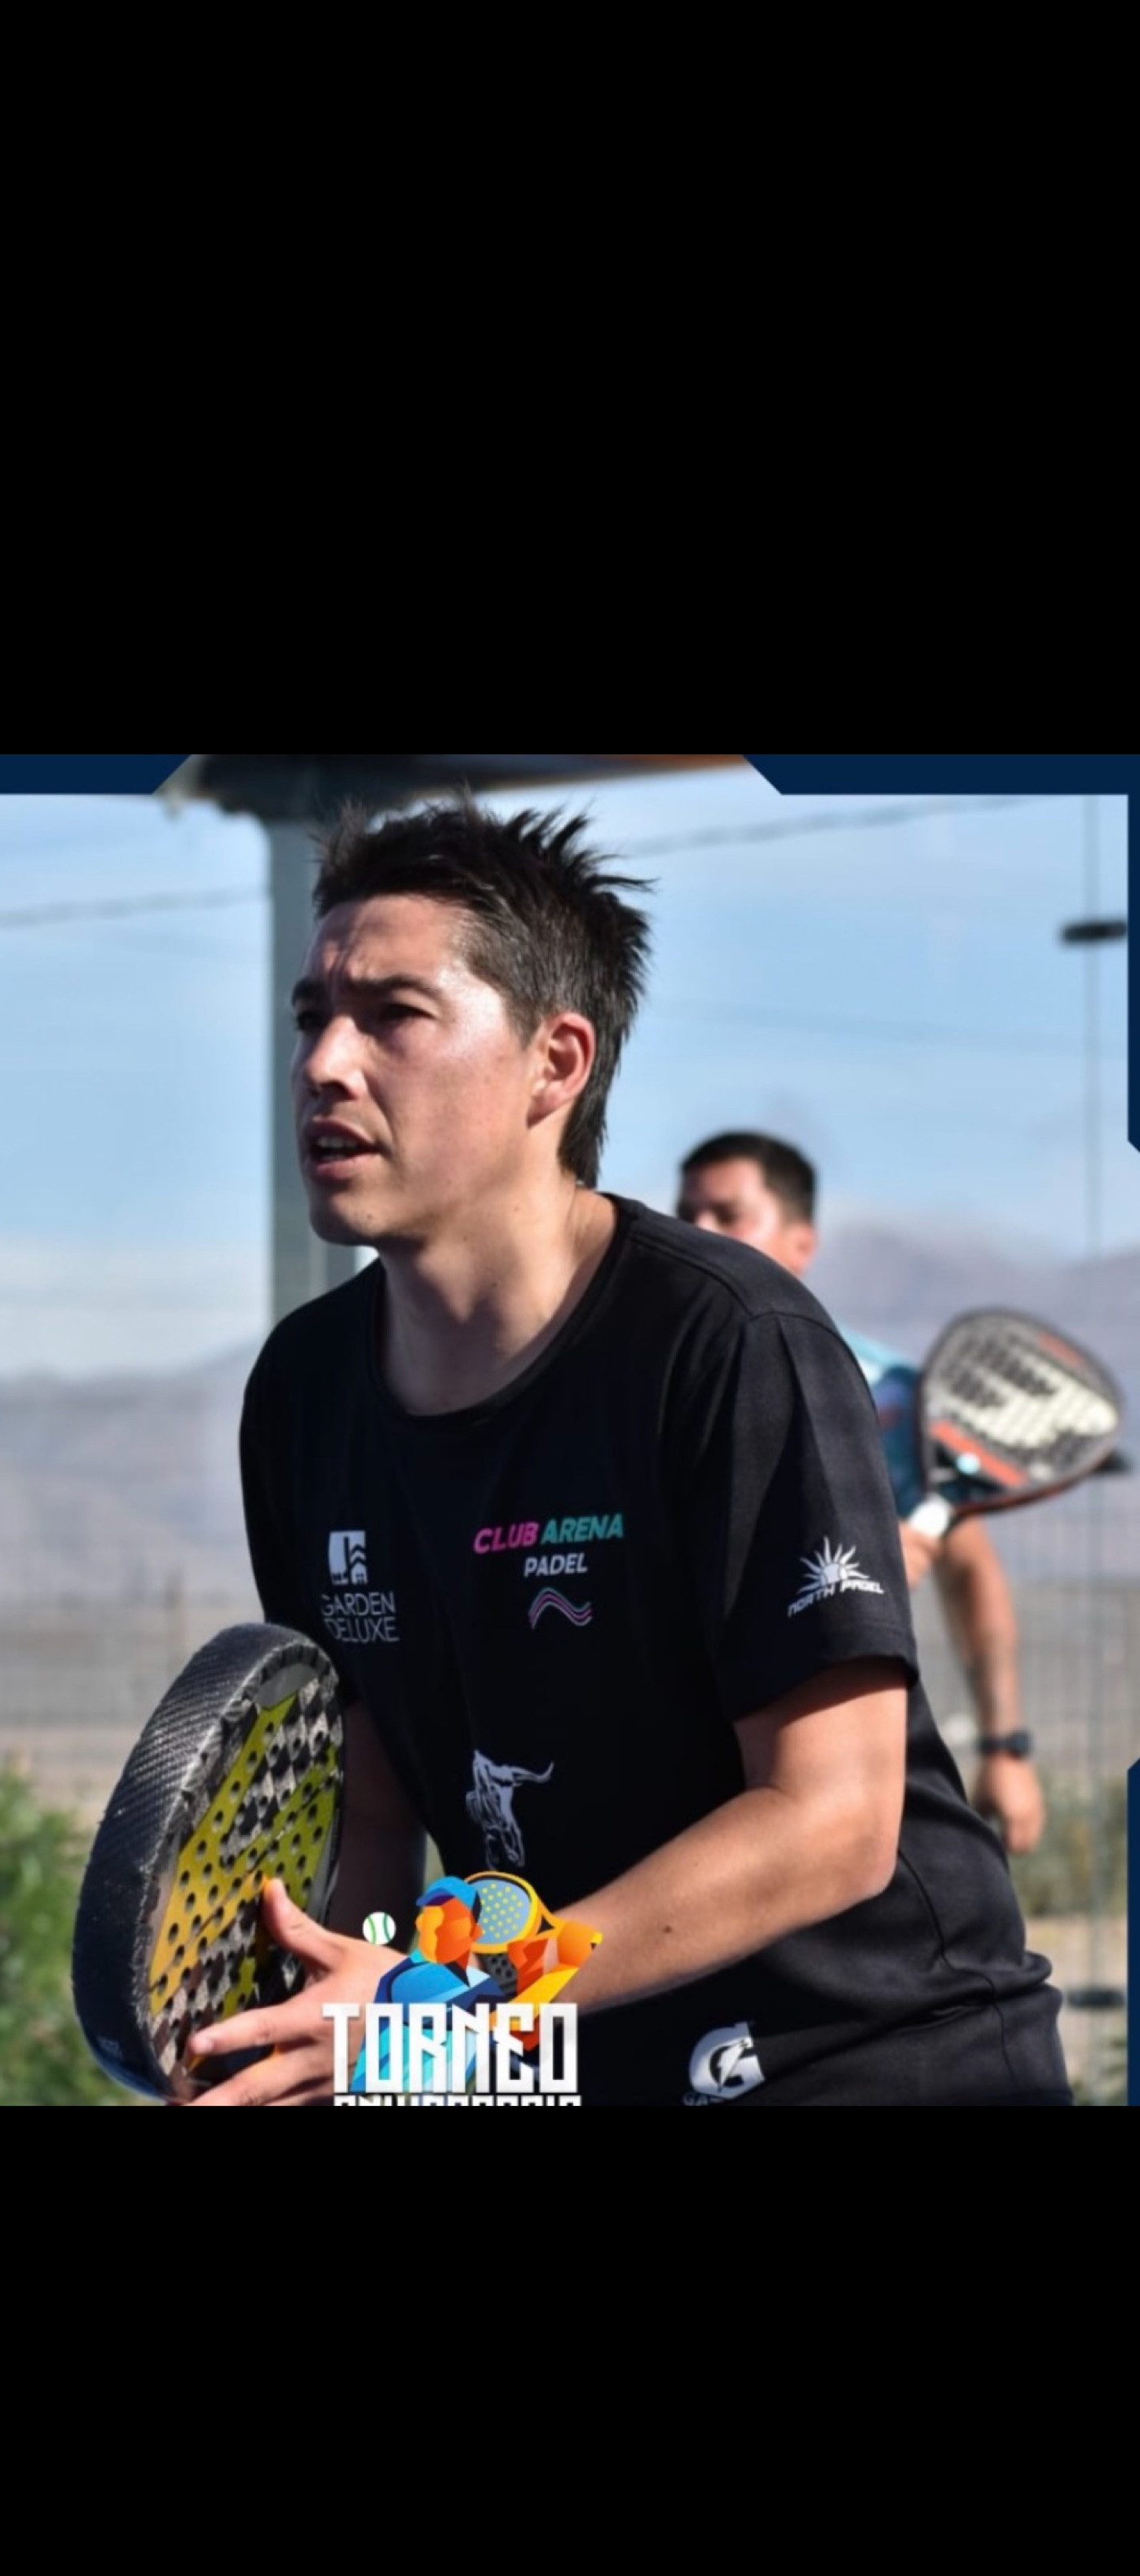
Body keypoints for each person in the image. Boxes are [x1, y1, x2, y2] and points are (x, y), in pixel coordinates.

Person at [178, 797, 1071, 2107]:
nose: (325, 1062)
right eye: (312, 1016)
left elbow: (833, 1819)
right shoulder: (303, 1394)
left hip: (872, 2059)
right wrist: (339, 2041)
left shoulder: (729, 1339)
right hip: (575, 2059)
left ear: (556, 1062)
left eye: (392, 1014)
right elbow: (371, 1814)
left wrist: (451, 2007)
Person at [674, 1135, 1047, 1859]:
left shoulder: (890, 1396)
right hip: (678, 1770)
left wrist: (1006, 1746)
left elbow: (971, 1572)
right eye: (687, 1213)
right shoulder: (639, 1381)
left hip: (837, 1782)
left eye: (729, 1213)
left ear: (802, 1243)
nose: (699, 1232)